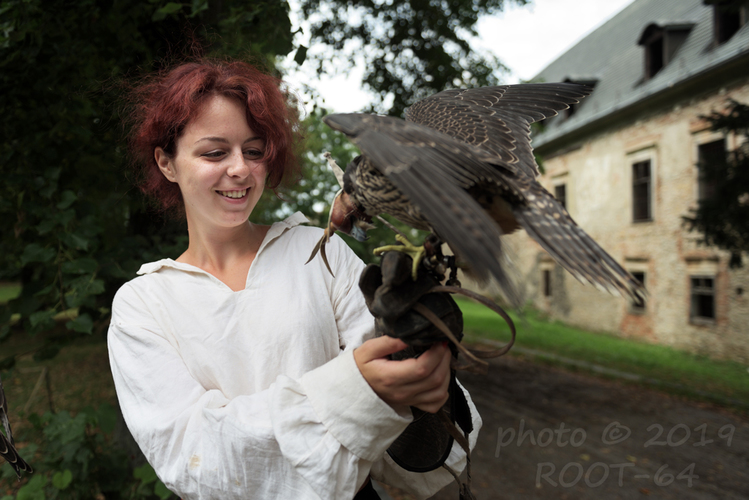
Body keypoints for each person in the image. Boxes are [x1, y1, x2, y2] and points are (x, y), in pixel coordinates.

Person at [108, 58, 481, 500]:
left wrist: (416, 368)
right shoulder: (144, 304)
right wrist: (353, 391)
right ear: (167, 163)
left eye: (253, 150)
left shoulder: (318, 252)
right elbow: (194, 453)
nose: (240, 169)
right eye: (214, 152)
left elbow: (403, 443)